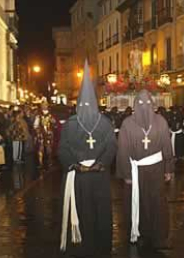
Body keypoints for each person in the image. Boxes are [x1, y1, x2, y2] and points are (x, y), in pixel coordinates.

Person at [58, 60, 117, 257]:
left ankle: (95, 245)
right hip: (87, 175)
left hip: (87, 175)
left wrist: (80, 164)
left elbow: (111, 146)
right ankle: (93, 246)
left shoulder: (95, 123)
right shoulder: (101, 122)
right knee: (86, 209)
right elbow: (63, 150)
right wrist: (96, 164)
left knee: (95, 210)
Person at [116, 89, 174, 251]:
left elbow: (166, 147)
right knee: (142, 201)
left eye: (147, 104)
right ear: (135, 105)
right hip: (141, 170)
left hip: (152, 169)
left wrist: (168, 168)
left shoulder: (155, 122)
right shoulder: (130, 124)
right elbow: (123, 151)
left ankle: (157, 235)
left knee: (156, 202)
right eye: (141, 104)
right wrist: (128, 173)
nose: (144, 107)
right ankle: (145, 233)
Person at [34, 100, 56, 168]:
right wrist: (38, 131)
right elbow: (35, 125)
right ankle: (40, 163)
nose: (44, 106)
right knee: (41, 148)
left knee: (49, 148)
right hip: (41, 133)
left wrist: (53, 123)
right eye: (43, 105)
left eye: (45, 105)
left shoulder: (50, 115)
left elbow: (54, 124)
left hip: (49, 133)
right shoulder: (38, 115)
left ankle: (50, 161)